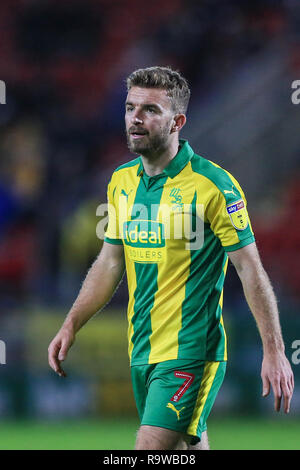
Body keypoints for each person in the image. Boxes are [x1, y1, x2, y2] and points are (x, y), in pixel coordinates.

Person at [48, 66, 294, 450]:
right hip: (142, 348)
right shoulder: (121, 182)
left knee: (149, 449)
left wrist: (274, 350)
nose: (135, 118)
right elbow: (110, 263)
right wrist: (71, 323)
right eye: (130, 108)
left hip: (191, 349)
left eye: (150, 110)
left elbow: (249, 269)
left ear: (178, 121)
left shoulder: (214, 185)